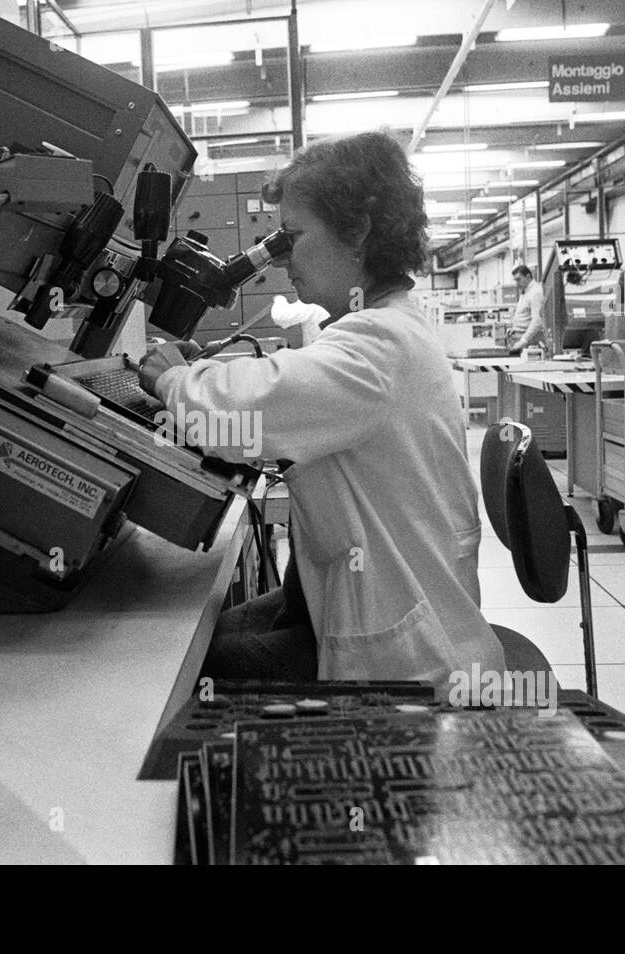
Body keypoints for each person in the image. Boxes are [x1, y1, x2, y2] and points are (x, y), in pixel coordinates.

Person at [137, 130, 506, 687]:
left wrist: (170, 377)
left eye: (293, 236)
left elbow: (242, 412)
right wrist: (196, 375)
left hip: (406, 656)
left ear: (356, 232)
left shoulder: (378, 345)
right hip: (360, 599)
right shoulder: (390, 328)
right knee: (189, 638)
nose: (281, 260)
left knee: (168, 673)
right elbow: (288, 391)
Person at [507, 263, 547, 354]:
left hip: (530, 340)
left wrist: (523, 341)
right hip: (521, 337)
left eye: (518, 279)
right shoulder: (526, 291)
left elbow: (537, 321)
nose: (516, 283)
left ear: (528, 276)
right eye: (515, 280)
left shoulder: (536, 293)